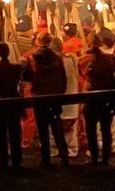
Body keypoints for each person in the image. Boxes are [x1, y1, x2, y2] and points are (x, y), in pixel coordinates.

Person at [28, 31, 70, 167]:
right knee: (57, 126)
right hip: (54, 96)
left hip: (40, 96)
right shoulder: (57, 58)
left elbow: (28, 76)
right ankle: (64, 156)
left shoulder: (33, 58)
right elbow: (63, 77)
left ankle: (45, 158)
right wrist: (61, 93)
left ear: (38, 41)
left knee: (42, 128)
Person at [79, 32, 115, 166]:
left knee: (91, 129)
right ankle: (105, 157)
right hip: (105, 98)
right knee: (105, 130)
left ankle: (94, 157)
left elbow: (83, 73)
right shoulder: (110, 60)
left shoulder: (86, 60)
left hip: (92, 98)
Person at [0, 41, 24, 170]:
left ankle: (3, 159)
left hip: (0, 100)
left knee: (1, 133)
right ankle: (16, 159)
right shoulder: (16, 68)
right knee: (15, 131)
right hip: (13, 100)